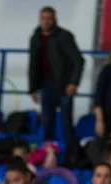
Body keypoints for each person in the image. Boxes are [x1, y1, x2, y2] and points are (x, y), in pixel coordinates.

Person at [28, 6, 84, 148]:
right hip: (45, 84)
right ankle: (48, 153)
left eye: (49, 18)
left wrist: (73, 82)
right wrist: (32, 88)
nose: (45, 21)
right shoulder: (35, 38)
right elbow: (33, 64)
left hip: (64, 84)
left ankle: (71, 154)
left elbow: (78, 60)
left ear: (54, 20)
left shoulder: (64, 36)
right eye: (43, 18)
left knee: (66, 123)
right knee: (47, 122)